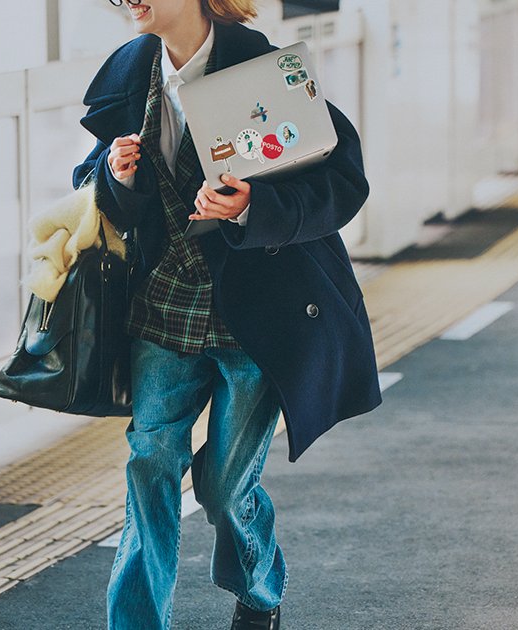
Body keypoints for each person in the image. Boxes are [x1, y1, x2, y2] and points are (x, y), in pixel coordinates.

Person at [72, 1, 382, 628]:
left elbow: (342, 184)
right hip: (162, 311)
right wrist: (115, 176)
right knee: (149, 467)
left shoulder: (266, 70)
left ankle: (260, 587)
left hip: (256, 317)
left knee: (221, 487)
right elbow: (92, 183)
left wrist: (250, 207)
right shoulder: (134, 74)